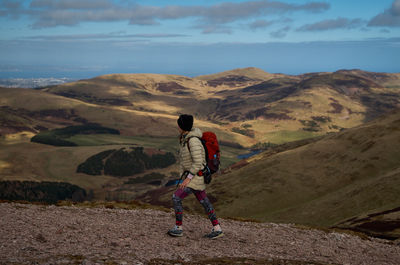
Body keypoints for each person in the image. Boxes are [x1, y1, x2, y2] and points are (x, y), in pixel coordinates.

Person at [167, 114, 224, 239]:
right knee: (204, 201)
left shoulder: (192, 141)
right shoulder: (186, 139)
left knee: (176, 197)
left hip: (196, 178)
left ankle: (178, 228)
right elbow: (185, 161)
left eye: (178, 124)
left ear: (182, 125)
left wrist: (188, 178)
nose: (177, 126)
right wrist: (184, 175)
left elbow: (198, 162)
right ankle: (217, 228)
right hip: (195, 176)